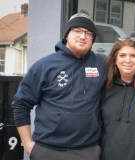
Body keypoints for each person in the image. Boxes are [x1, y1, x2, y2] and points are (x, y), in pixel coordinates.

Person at [12, 10, 106, 160]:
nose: (83, 36)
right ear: (67, 34)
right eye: (77, 31)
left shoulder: (102, 64)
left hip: (87, 151)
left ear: (93, 39)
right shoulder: (44, 66)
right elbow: (21, 104)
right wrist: (28, 144)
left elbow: (130, 65)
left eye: (89, 33)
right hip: (47, 150)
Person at [100, 37, 135, 160]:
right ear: (115, 60)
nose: (128, 60)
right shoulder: (104, 88)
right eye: (122, 55)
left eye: (133, 56)